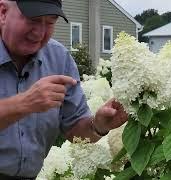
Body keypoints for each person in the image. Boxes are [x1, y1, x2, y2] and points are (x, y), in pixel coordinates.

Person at [0, 0, 128, 179]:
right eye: (33, 20)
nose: (40, 33)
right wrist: (24, 103)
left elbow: (75, 129)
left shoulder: (59, 58)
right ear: (3, 12)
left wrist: (98, 125)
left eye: (50, 22)